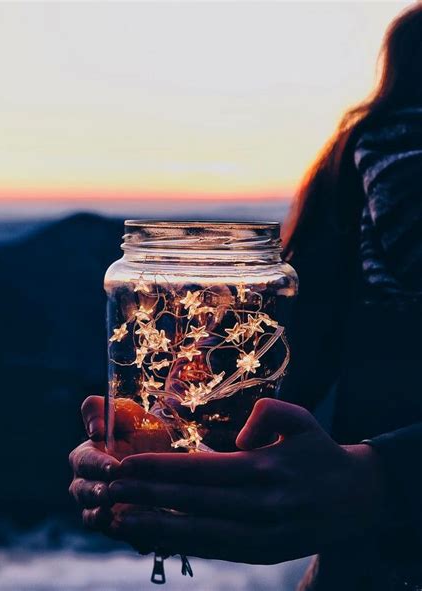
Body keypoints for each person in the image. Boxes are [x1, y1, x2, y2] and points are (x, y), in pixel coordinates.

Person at [69, 4, 422, 589]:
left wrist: (384, 479)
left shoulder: (361, 156)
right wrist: (151, 452)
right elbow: (257, 383)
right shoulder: (356, 174)